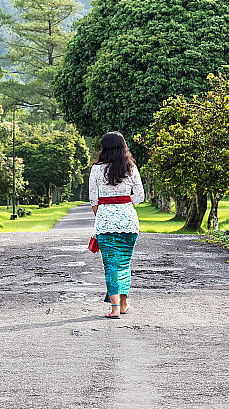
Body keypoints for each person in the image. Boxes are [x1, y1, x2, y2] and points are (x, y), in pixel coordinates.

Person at [89, 131, 144, 319]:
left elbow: (93, 200)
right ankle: (123, 304)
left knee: (111, 266)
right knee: (124, 264)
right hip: (129, 222)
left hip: (106, 223)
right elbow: (140, 197)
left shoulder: (96, 169)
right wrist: (124, 201)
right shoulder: (131, 168)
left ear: (104, 147)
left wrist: (104, 213)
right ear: (123, 147)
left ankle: (114, 308)